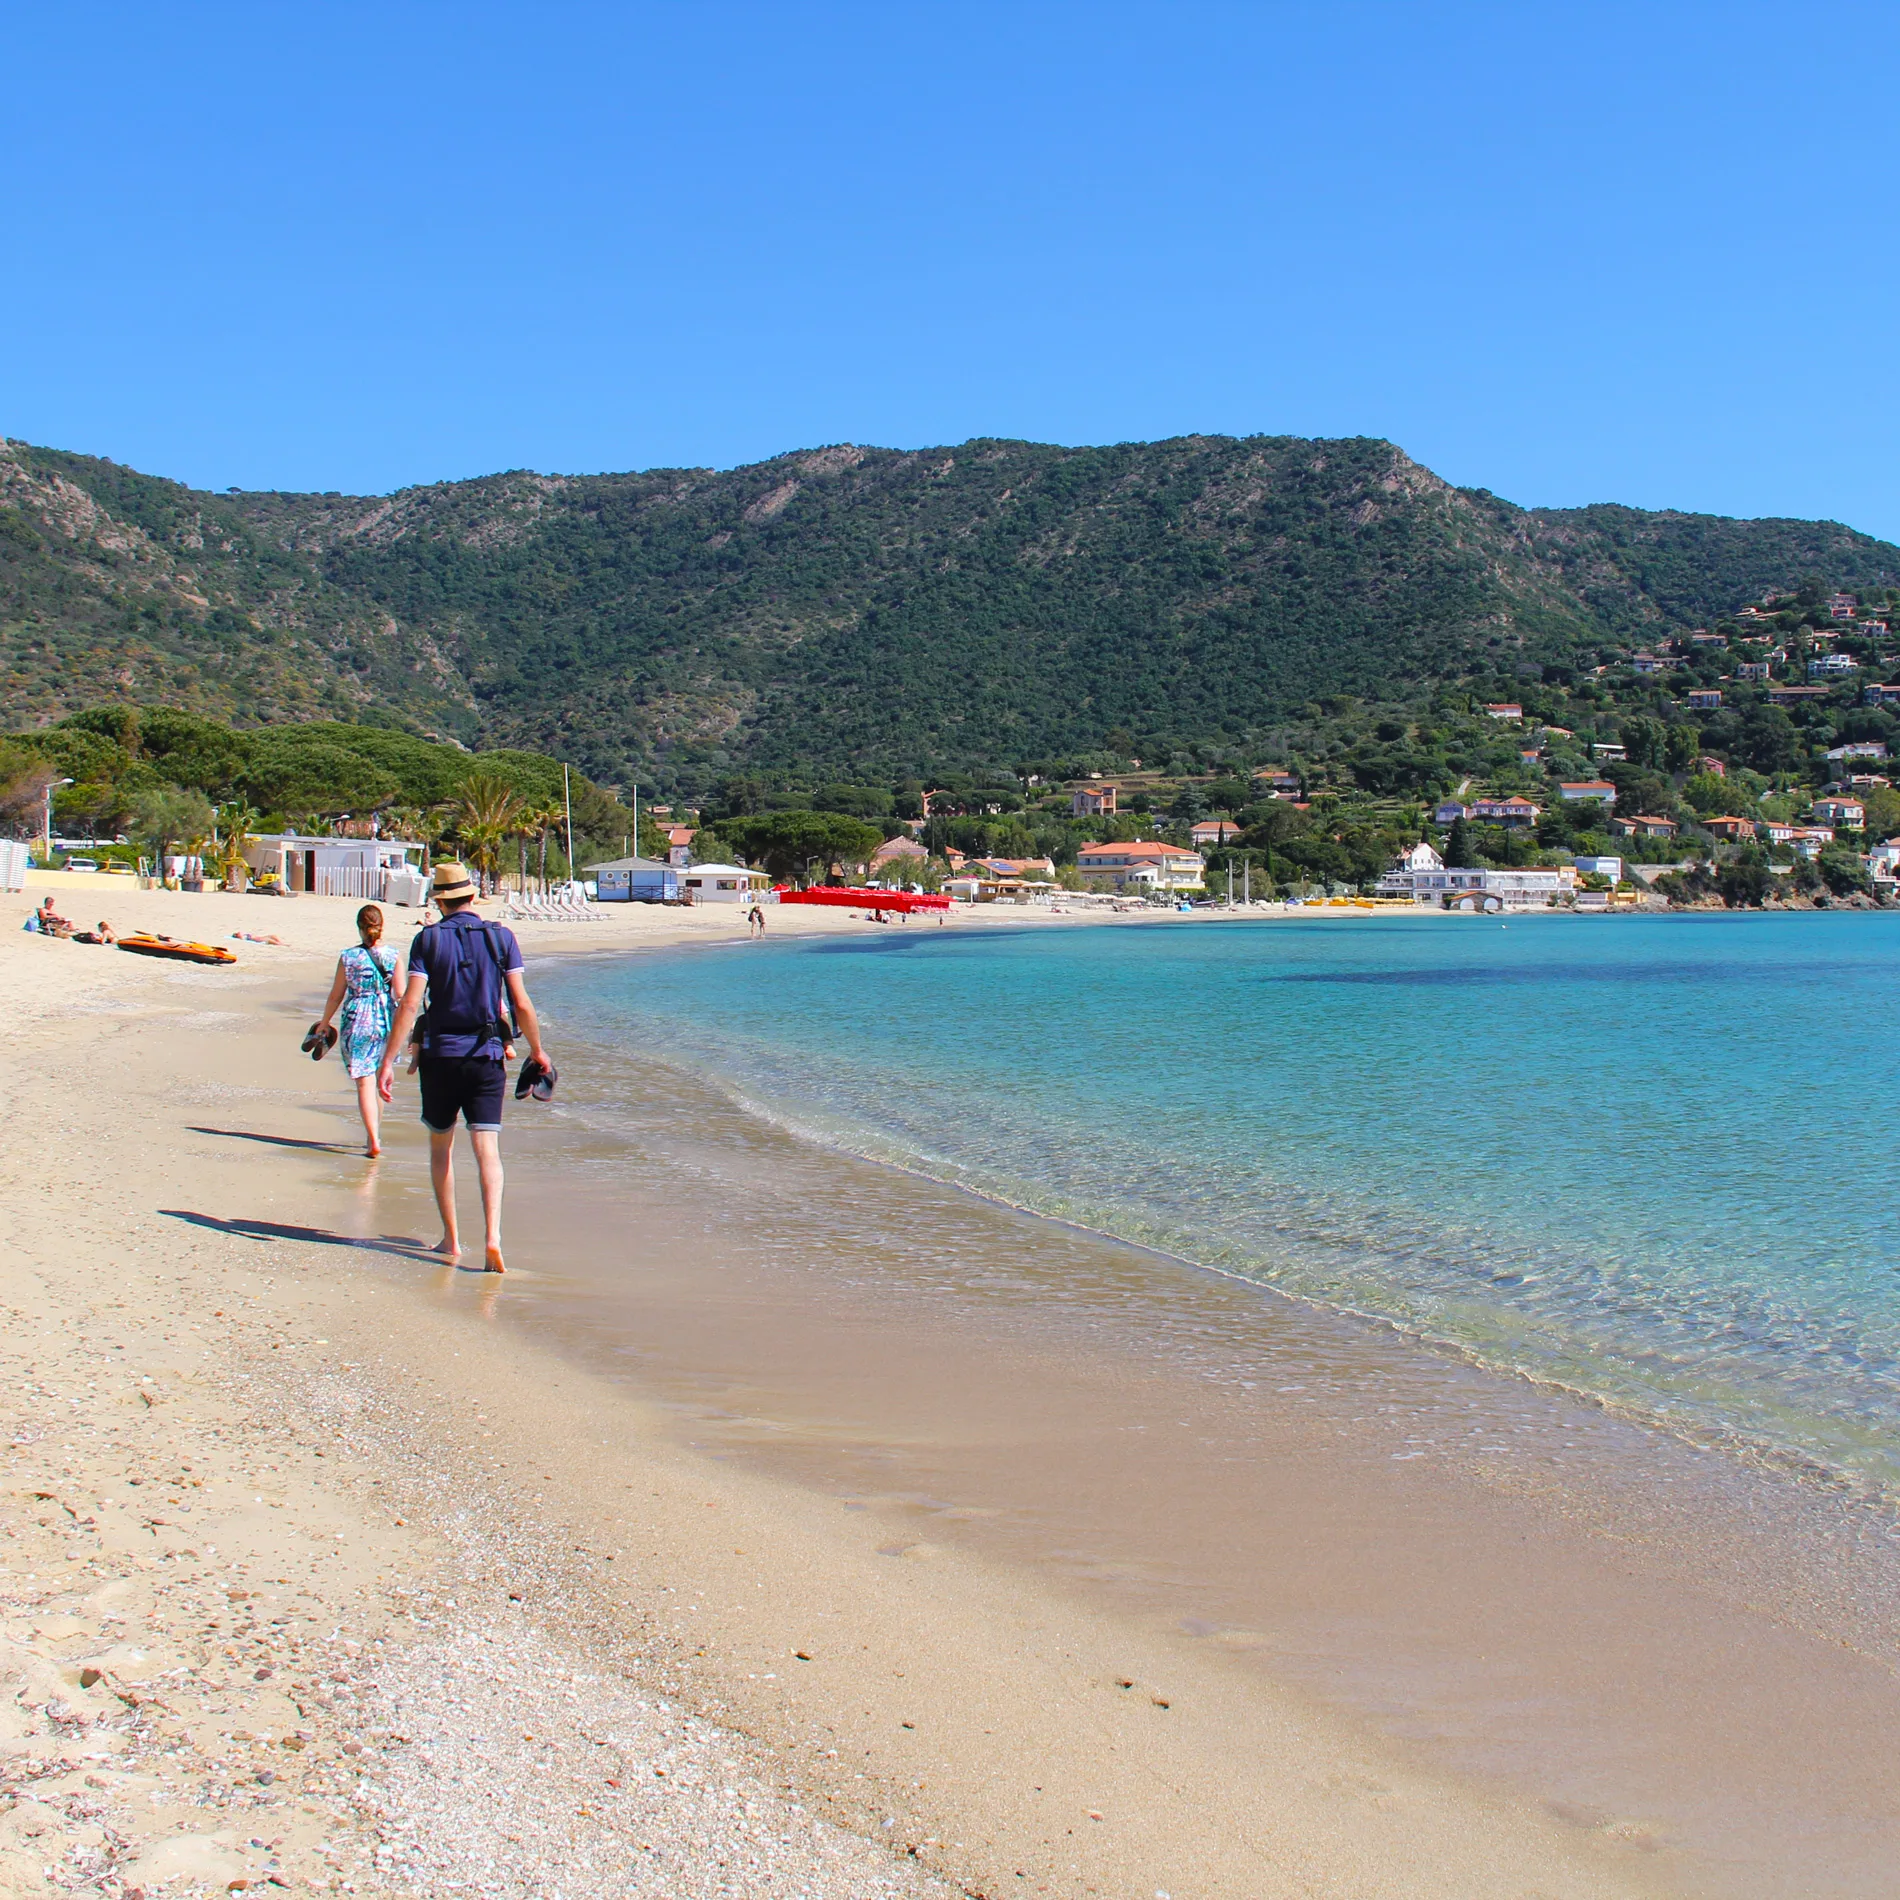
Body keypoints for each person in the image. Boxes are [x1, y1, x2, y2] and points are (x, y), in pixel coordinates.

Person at [378, 861, 549, 1274]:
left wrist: (389, 1059)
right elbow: (521, 1003)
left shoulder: (427, 940)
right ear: (473, 896)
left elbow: (411, 1004)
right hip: (488, 1055)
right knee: (487, 1149)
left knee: (441, 1148)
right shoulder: (501, 937)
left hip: (439, 1056)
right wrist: (538, 1051)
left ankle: (451, 1239)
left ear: (440, 901)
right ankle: (493, 1238)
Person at [314, 904, 404, 1157]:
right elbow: (401, 996)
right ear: (381, 926)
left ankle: (373, 1139)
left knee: (364, 1084)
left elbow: (336, 995)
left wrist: (324, 1023)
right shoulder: (394, 956)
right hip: (384, 1021)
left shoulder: (348, 957)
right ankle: (371, 1136)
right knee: (378, 1079)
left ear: (359, 927)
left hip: (356, 1020)